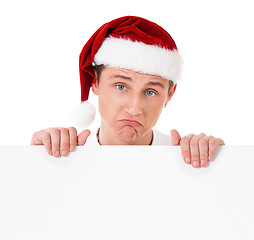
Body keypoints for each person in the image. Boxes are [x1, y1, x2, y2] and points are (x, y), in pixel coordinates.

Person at [31, 16, 225, 168]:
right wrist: (34, 163)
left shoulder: (184, 157)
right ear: (95, 83)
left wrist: (217, 165)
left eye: (150, 91)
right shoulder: (65, 154)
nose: (134, 108)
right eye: (121, 87)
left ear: (170, 94)